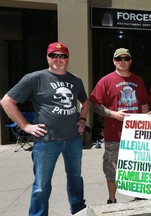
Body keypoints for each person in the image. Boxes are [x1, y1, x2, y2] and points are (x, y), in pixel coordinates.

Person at [0, 42, 88, 215]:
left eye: (62, 55)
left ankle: (79, 211)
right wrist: (25, 126)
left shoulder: (75, 80)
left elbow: (85, 102)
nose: (58, 59)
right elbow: (7, 101)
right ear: (47, 58)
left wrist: (83, 119)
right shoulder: (34, 78)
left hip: (73, 140)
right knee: (41, 186)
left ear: (67, 59)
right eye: (53, 55)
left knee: (76, 179)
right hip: (46, 141)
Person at [89, 48, 150, 204]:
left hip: (136, 135)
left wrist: (148, 120)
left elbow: (143, 103)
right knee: (112, 169)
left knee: (137, 167)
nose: (123, 62)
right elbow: (95, 105)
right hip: (114, 135)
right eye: (119, 59)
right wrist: (113, 114)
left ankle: (139, 197)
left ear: (130, 61)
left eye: (126, 58)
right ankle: (112, 198)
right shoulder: (106, 81)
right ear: (114, 61)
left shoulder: (138, 80)